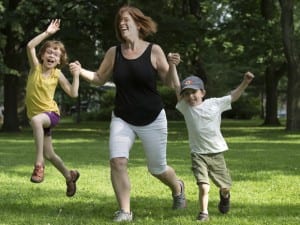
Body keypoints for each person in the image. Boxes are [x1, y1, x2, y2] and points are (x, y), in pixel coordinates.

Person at [69, 5, 186, 222]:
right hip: (123, 117)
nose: (122, 24)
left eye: (126, 20)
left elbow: (170, 83)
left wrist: (172, 66)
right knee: (117, 161)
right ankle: (125, 211)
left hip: (152, 117)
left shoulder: (154, 50)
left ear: (138, 24)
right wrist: (79, 71)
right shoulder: (114, 52)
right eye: (119, 21)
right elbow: (99, 78)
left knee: (157, 168)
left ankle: (178, 186)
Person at [175, 72, 255, 221]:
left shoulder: (214, 103)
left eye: (193, 92)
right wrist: (172, 66)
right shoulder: (185, 107)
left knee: (225, 187)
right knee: (203, 186)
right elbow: (175, 85)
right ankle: (203, 213)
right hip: (198, 154)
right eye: (186, 93)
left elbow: (233, 96)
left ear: (203, 92)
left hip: (216, 153)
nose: (190, 96)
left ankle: (225, 197)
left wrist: (245, 82)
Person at [25, 19, 80, 197]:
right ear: (42, 56)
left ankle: (38, 164)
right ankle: (69, 175)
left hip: (50, 114)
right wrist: (48, 33)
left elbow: (73, 93)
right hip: (39, 119)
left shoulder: (57, 74)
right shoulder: (36, 68)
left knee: (36, 120)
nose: (52, 56)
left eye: (56, 55)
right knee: (50, 153)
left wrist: (76, 75)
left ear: (59, 61)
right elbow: (29, 46)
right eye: (49, 52)